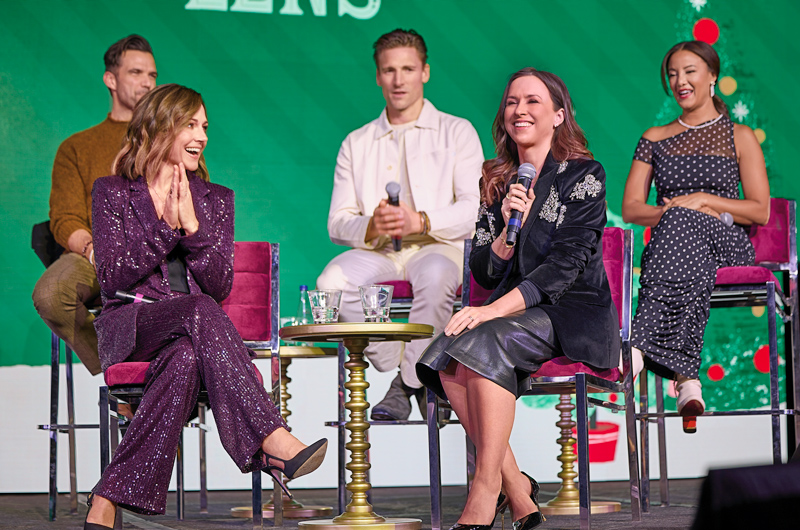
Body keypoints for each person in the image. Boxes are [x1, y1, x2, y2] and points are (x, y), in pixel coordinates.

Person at [84, 84, 327, 528]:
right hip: (132, 324)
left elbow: (218, 285)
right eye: (190, 125)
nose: (202, 136)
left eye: (205, 126)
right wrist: (166, 228)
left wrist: (194, 229)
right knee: (196, 309)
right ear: (161, 127)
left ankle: (105, 501)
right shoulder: (113, 192)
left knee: (186, 358)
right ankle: (271, 436)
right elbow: (112, 276)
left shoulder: (215, 199)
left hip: (190, 334)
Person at [417, 68, 619, 530]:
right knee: (441, 352)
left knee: (482, 340)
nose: (519, 110)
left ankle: (485, 489)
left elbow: (564, 268)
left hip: (573, 313)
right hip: (515, 313)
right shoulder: (496, 179)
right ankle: (518, 490)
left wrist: (490, 310)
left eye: (532, 101)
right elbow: (485, 271)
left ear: (558, 115)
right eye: (511, 102)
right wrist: (508, 234)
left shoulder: (583, 176)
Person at [316, 29, 483, 421]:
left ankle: (405, 386)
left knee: (440, 274)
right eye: (389, 70)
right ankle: (404, 371)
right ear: (377, 76)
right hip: (380, 251)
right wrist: (371, 225)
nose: (398, 79)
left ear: (425, 72)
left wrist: (421, 219)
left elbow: (475, 211)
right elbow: (338, 223)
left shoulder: (457, 131)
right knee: (331, 284)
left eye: (407, 68)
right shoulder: (357, 142)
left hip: (438, 246)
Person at [621, 41, 770, 433]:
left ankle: (640, 349)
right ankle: (686, 376)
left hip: (730, 244)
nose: (679, 81)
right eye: (672, 74)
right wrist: (674, 211)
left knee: (679, 229)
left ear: (712, 77)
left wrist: (703, 200)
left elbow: (760, 209)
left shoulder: (739, 135)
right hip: (680, 246)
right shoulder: (654, 137)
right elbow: (633, 208)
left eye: (689, 71)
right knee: (679, 228)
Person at [32, 34, 158, 376]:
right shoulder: (77, 147)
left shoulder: (169, 140)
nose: (147, 82)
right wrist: (93, 250)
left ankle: (170, 380)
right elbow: (64, 218)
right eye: (136, 73)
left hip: (158, 256)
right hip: (97, 256)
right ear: (111, 79)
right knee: (51, 294)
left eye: (152, 75)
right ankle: (126, 380)